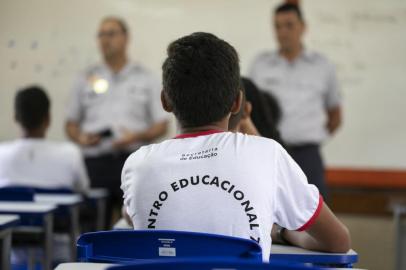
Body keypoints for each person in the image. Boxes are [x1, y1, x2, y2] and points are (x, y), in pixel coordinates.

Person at [121, 32, 350, 261]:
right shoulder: (267, 155)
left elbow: (132, 216)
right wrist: (282, 234)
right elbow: (338, 241)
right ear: (238, 102)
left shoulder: (137, 165)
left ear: (165, 101)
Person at [65, 17, 168, 225]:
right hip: (95, 163)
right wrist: (81, 138)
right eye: (101, 35)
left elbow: (162, 124)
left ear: (126, 38)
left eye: (111, 34)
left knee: (135, 223)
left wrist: (136, 136)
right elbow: (70, 124)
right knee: (92, 228)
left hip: (133, 161)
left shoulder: (145, 77)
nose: (105, 40)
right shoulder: (85, 77)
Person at [249, 3, 342, 198]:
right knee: (270, 216)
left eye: (289, 25)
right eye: (277, 26)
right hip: (270, 154)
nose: (283, 32)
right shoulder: (261, 65)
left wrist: (310, 134)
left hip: (308, 155)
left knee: (314, 219)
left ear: (303, 27)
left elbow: (335, 115)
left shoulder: (322, 66)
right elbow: (249, 109)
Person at [0, 86, 89, 191]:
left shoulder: (2, 154)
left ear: (15, 118)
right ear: (48, 118)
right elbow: (83, 190)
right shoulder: (71, 154)